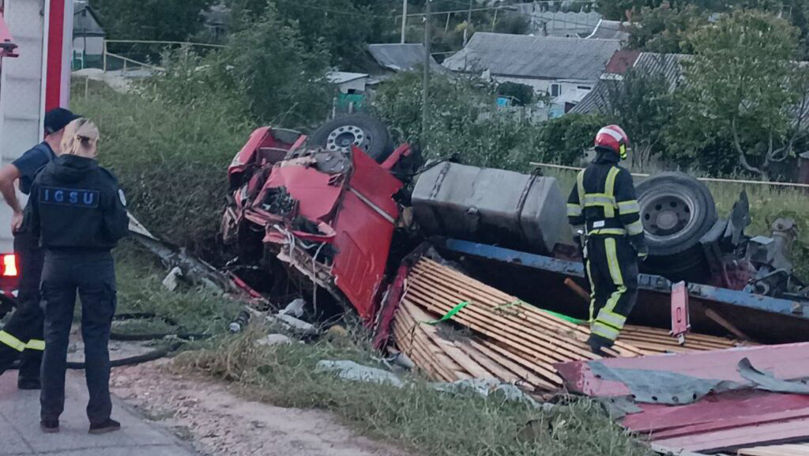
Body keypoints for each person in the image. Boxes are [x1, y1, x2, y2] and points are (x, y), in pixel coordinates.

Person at [28, 118, 128, 434]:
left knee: (55, 337)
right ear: (93, 143)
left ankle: (49, 416)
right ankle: (99, 418)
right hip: (96, 266)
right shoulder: (104, 181)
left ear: (67, 140)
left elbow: (32, 224)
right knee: (96, 340)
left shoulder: (44, 177)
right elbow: (118, 228)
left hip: (56, 264)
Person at [0, 108, 80, 389]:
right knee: (31, 307)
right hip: (32, 238)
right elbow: (4, 177)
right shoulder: (40, 154)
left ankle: (31, 374)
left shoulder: (59, 159)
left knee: (44, 307)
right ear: (60, 131)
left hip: (46, 240)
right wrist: (16, 211)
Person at [566, 125, 647, 356]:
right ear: (616, 148)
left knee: (599, 290)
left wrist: (578, 235)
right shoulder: (619, 176)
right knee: (625, 287)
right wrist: (640, 242)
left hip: (590, 241)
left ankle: (595, 337)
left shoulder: (582, 176)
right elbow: (629, 212)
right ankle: (601, 339)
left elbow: (573, 211)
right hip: (614, 240)